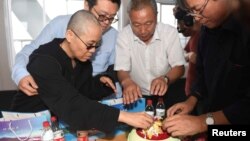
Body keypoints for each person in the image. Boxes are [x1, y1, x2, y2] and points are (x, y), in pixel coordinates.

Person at [11, 10, 153, 133]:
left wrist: (99, 84)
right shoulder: (44, 61)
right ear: (70, 35)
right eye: (89, 45)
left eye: (96, 46)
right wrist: (123, 116)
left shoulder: (82, 60)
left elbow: (82, 91)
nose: (92, 51)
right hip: (23, 127)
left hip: (54, 126)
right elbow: (72, 104)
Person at [163, 0, 250, 137]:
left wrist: (201, 122)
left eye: (198, 9)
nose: (196, 18)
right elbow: (202, 74)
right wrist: (191, 101)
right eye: (192, 11)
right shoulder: (207, 30)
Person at [12, 0, 121, 96]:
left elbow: (113, 72)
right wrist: (20, 74)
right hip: (58, 94)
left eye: (111, 18)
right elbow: (28, 53)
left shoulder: (114, 36)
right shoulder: (60, 24)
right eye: (102, 15)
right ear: (86, 5)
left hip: (91, 95)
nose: (106, 23)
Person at [114, 0, 186, 108]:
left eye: (148, 23)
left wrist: (165, 79)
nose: (143, 31)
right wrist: (126, 81)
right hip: (137, 96)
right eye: (136, 24)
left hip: (167, 93)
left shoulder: (169, 33)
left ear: (156, 16)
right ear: (130, 19)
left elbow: (179, 67)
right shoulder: (124, 35)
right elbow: (122, 69)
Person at [173, 6, 201, 96]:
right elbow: (184, 55)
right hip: (191, 91)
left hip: (199, 93)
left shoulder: (203, 36)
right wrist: (188, 55)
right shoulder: (193, 36)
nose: (179, 28)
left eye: (181, 23)